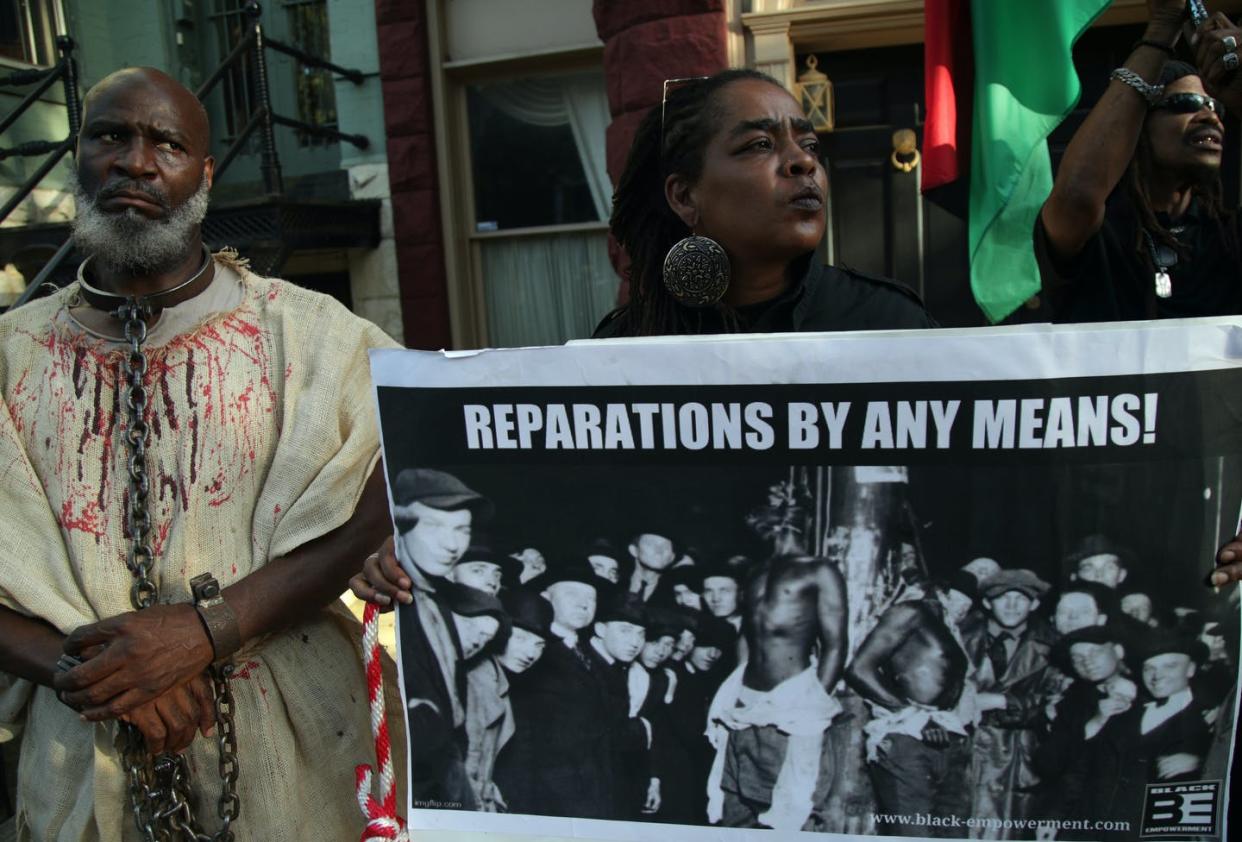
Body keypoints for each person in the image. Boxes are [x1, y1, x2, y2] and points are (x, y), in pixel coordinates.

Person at [0, 67, 399, 839]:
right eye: (110, 136)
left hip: (302, 753)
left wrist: (207, 629)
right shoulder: (12, 356)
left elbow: (395, 496)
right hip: (79, 761)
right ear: (80, 154)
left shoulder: (317, 339)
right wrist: (94, 673)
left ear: (204, 173)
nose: (135, 163)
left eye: (167, 144)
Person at [594, 69, 933, 338]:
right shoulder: (623, 347)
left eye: (811, 145)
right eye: (760, 144)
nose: (804, 161)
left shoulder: (890, 323)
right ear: (684, 196)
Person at [1037, 3, 1242, 321]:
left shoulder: (1227, 235)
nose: (1209, 116)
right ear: (1138, 130)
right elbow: (1077, 194)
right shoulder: (1099, 233)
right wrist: (1163, 27)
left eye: (1217, 107)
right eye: (1187, 102)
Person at [705, 552, 847, 832]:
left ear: (788, 505)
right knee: (734, 816)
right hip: (743, 717)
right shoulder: (757, 570)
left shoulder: (820, 570)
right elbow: (748, 633)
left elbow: (836, 644)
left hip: (790, 719)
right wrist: (739, 690)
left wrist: (812, 706)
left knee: (791, 817)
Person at [846, 575, 977, 837]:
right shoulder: (910, 612)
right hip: (908, 740)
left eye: (971, 602)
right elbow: (858, 670)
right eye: (962, 597)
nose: (967, 606)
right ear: (942, 590)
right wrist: (912, 717)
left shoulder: (945, 625)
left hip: (944, 740)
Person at [492, 559, 615, 819]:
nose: (584, 603)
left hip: (592, 792)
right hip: (546, 798)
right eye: (573, 594)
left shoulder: (592, 654)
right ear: (546, 597)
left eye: (591, 598)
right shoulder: (529, 654)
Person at [961, 568, 1054, 836]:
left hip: (1021, 762)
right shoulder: (959, 637)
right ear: (988, 603)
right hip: (966, 755)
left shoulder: (1052, 646)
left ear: (1034, 603)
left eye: (1021, 598)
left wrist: (1000, 701)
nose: (1012, 605)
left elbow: (1054, 702)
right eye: (1003, 598)